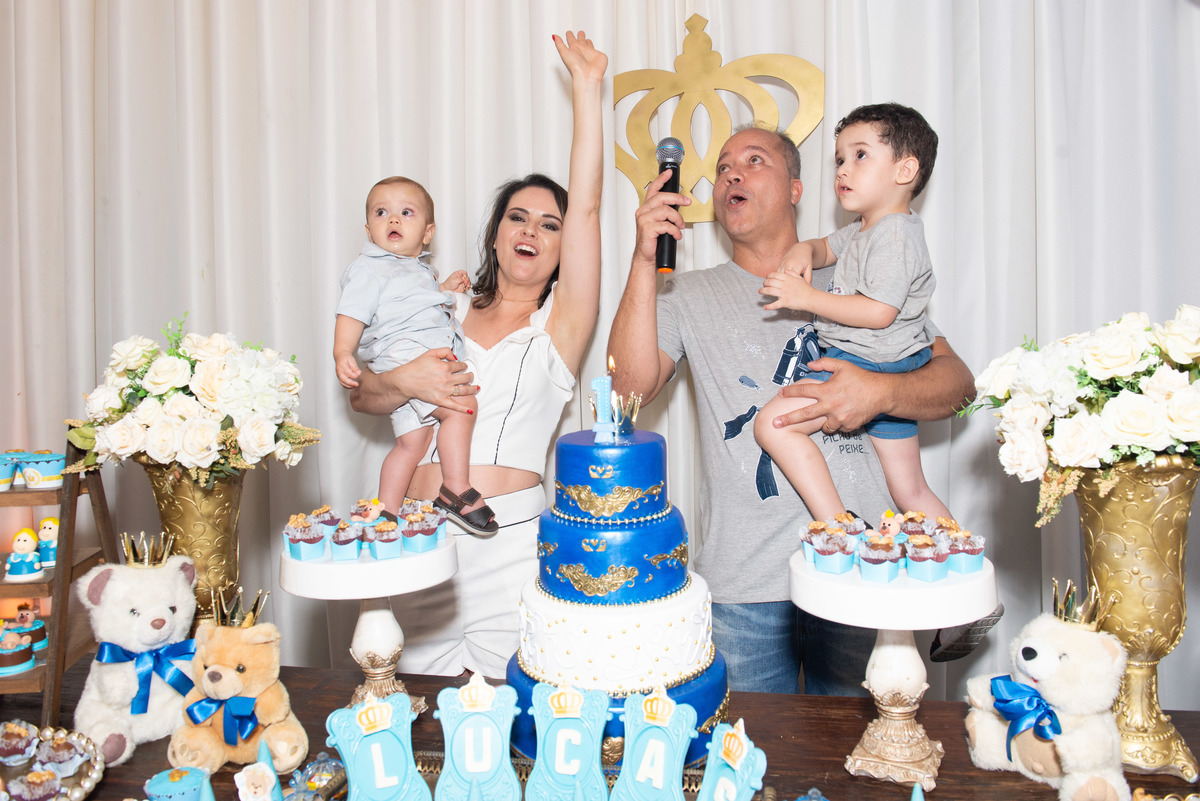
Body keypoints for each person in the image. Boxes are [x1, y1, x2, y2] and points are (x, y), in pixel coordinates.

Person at [607, 123, 976, 694]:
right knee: (749, 750)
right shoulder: (686, 293)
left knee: (870, 747)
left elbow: (958, 384)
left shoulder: (861, 274)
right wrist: (641, 257)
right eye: (723, 167)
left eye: (754, 160)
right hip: (745, 589)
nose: (732, 174)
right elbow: (624, 395)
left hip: (865, 574)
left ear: (797, 189)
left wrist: (878, 393)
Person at [346, 31, 606, 678]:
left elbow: (588, 210)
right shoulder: (439, 305)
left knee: (514, 715)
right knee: (407, 708)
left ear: (562, 249)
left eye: (550, 225)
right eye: (518, 217)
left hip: (509, 544)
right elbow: (364, 395)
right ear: (495, 235)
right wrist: (406, 378)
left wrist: (587, 90)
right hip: (415, 538)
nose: (532, 230)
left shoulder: (560, 327)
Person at [754, 103, 951, 526]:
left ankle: (838, 530)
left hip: (869, 361)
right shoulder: (869, 227)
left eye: (860, 155)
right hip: (889, 364)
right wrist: (804, 249)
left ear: (905, 170)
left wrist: (806, 297)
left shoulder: (895, 235)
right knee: (910, 489)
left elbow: (878, 312)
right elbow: (827, 247)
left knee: (773, 426)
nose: (843, 170)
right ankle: (958, 551)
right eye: (840, 160)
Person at [332, 176, 493, 533]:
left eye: (406, 212)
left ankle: (386, 512)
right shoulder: (369, 268)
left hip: (408, 360)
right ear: (368, 230)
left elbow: (414, 304)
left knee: (412, 444)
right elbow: (351, 313)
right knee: (462, 406)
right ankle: (455, 488)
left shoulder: (416, 269)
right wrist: (342, 351)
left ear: (427, 232)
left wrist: (444, 289)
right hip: (404, 357)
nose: (393, 219)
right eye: (381, 212)